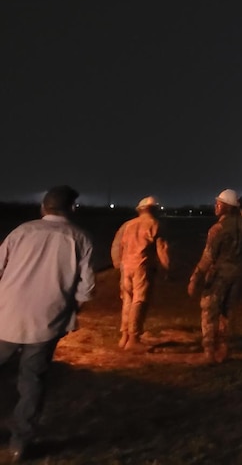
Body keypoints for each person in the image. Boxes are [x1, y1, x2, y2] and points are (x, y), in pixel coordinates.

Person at [0, 186, 95, 462]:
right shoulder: (81, 238)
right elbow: (86, 288)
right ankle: (20, 443)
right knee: (32, 380)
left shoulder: (21, 232)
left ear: (44, 207)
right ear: (72, 208)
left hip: (6, 317)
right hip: (46, 322)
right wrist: (71, 304)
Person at [187, 189, 242, 364]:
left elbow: (208, 257)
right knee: (227, 311)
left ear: (227, 207)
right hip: (237, 273)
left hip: (220, 274)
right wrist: (240, 206)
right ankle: (224, 349)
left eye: (219, 203)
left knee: (209, 310)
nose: (216, 206)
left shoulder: (217, 229)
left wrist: (195, 278)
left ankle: (209, 352)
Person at [110, 196, 171, 351]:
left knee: (128, 301)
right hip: (142, 267)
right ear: (154, 209)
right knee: (139, 301)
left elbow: (116, 246)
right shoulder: (155, 224)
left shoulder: (127, 225)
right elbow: (162, 249)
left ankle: (124, 336)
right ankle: (133, 338)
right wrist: (167, 269)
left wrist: (119, 264)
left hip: (126, 267)